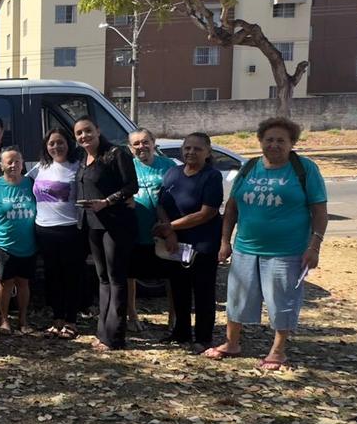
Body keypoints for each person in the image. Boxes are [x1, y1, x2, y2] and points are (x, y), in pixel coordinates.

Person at [208, 118, 328, 370]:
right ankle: (232, 343)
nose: (274, 145)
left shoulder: (304, 169)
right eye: (269, 139)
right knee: (237, 298)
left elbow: (319, 210)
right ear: (260, 141)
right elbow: (232, 207)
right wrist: (224, 241)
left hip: (286, 251)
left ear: (292, 143)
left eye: (281, 140)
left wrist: (314, 246)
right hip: (245, 248)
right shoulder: (250, 167)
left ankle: (278, 351)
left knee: (281, 301)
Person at [155, 132, 225, 352]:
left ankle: (203, 337)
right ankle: (181, 332)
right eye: (187, 148)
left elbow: (207, 212)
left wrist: (171, 227)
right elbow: (161, 204)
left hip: (203, 243)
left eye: (197, 149)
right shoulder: (173, 173)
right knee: (179, 288)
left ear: (208, 152)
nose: (191, 152)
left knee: (203, 291)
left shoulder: (211, 176)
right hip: (176, 243)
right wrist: (170, 233)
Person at [74, 117, 138, 352]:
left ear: (98, 130)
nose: (84, 136)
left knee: (116, 278)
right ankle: (103, 333)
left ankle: (115, 337)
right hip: (93, 224)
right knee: (102, 278)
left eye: (88, 130)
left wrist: (108, 201)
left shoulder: (116, 153)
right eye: (79, 133)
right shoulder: (83, 158)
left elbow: (132, 186)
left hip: (116, 223)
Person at [25, 128, 85, 338]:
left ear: (68, 144)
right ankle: (57, 319)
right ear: (46, 146)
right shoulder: (40, 167)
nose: (56, 147)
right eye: (51, 143)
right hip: (44, 230)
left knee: (71, 276)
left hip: (70, 229)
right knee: (52, 276)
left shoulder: (77, 166)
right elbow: (19, 182)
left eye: (60, 143)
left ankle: (71, 321)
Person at [0, 148, 37, 334]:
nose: (13, 165)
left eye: (17, 161)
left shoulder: (31, 183)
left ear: (22, 163)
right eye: (9, 162)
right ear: (1, 165)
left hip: (28, 244)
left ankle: (23, 320)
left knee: (23, 283)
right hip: (4, 244)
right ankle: (4, 320)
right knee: (5, 282)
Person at [127, 128, 178, 328]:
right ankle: (132, 316)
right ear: (130, 148)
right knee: (130, 274)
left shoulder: (168, 165)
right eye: (136, 144)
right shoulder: (127, 166)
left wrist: (172, 228)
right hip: (134, 230)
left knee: (171, 275)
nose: (141, 147)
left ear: (153, 143)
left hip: (164, 230)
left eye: (145, 142)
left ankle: (174, 318)